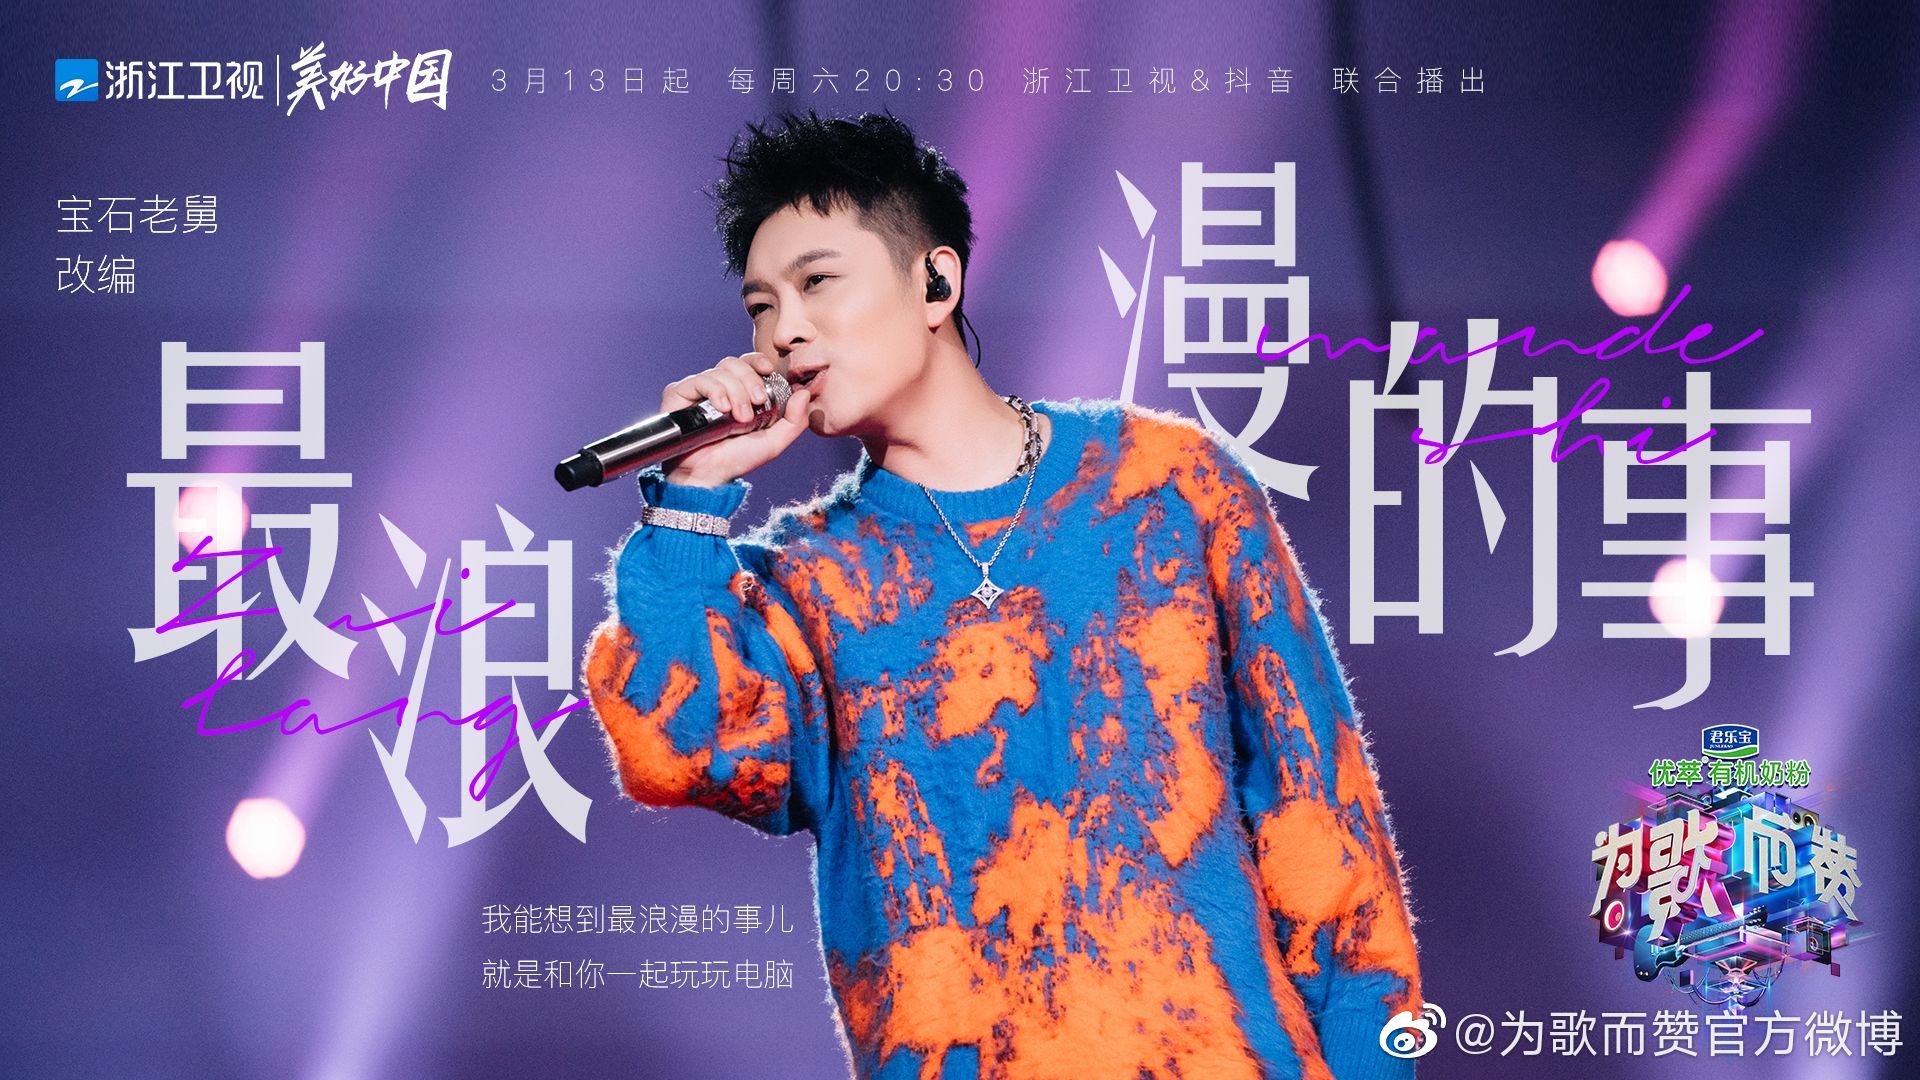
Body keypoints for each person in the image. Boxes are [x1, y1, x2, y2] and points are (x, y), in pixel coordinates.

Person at [583, 111, 1421, 1080]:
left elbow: (1322, 822)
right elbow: (677, 751)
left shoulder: (1165, 486)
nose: (784, 332)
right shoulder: (806, 585)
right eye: (760, 306)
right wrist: (690, 499)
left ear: (935, 283)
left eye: (816, 283)